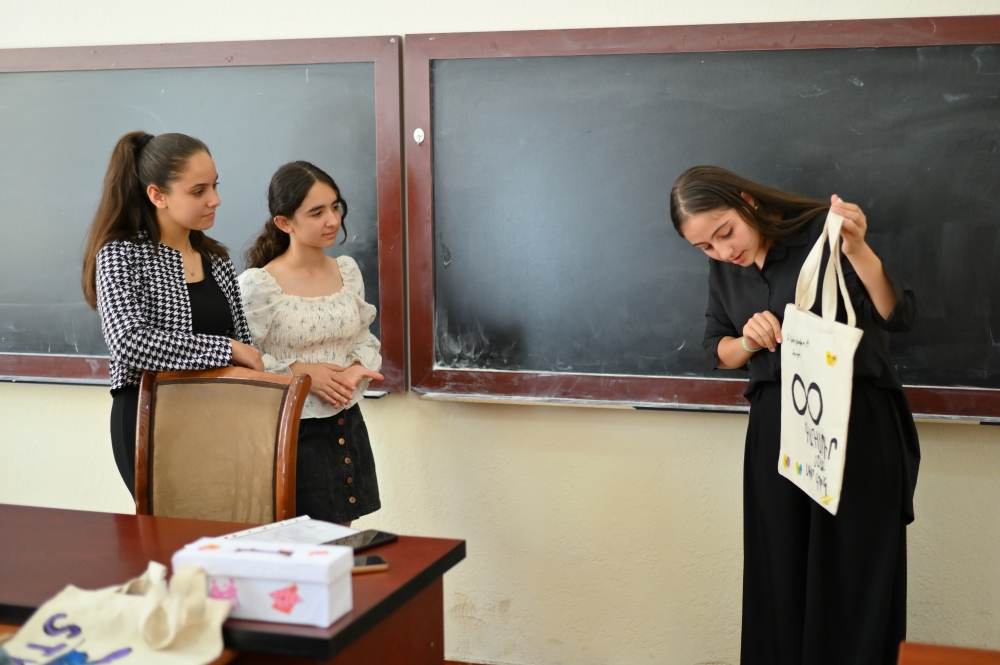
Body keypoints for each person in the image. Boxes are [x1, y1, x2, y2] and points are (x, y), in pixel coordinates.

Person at [670, 165, 920, 665]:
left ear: (747, 201)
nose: (723, 252)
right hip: (774, 432)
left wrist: (858, 251)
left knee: (853, 580)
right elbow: (715, 350)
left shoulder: (820, 233)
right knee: (778, 577)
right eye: (706, 248)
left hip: (854, 428)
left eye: (725, 233)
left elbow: (901, 314)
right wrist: (747, 339)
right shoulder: (725, 267)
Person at [82, 131, 264, 498]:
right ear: (157, 195)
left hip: (218, 419)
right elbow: (129, 342)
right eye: (198, 191)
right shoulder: (122, 255)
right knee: (169, 543)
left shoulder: (216, 260)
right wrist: (224, 350)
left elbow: (246, 348)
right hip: (149, 418)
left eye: (214, 186)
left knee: (219, 539)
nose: (215, 199)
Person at [240, 161, 383, 526]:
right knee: (296, 548)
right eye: (316, 212)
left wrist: (353, 370)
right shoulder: (259, 285)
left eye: (335, 207)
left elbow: (362, 339)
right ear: (284, 223)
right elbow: (242, 363)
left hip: (344, 422)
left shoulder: (346, 271)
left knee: (340, 542)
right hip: (290, 431)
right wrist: (299, 374)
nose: (332, 220)